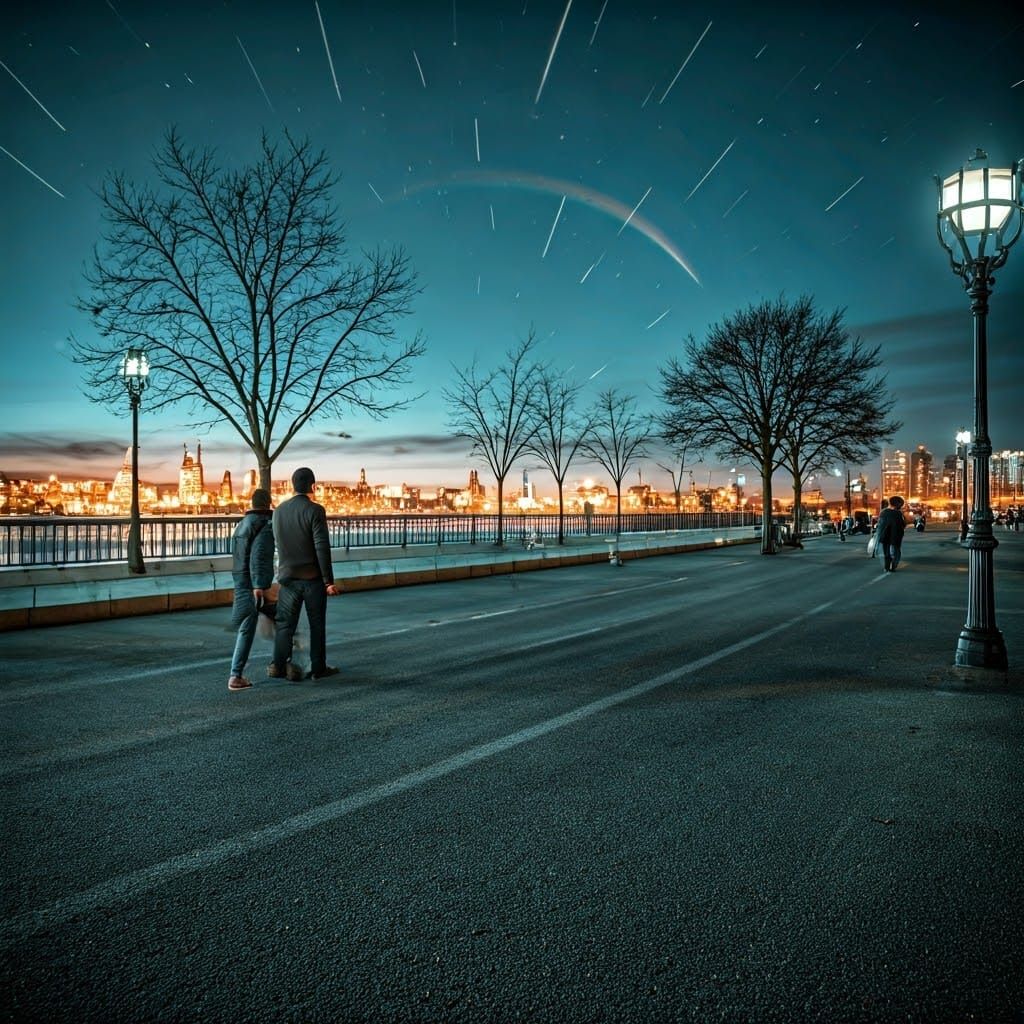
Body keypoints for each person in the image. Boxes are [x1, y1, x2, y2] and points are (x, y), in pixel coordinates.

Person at [270, 467, 339, 681]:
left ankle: (278, 666)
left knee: (284, 625)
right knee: (316, 624)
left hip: (287, 578)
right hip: (312, 579)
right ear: (313, 486)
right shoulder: (315, 510)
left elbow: (278, 544)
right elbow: (321, 547)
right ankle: (318, 668)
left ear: (293, 485)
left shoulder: (279, 511)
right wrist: (328, 581)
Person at [228, 488, 275, 691]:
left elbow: (238, 555)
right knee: (248, 628)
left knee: (276, 619)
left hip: (240, 578)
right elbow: (259, 557)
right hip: (253, 584)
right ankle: (235, 676)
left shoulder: (241, 525)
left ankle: (282, 661)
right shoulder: (263, 525)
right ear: (268, 503)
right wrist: (258, 585)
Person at [876, 495, 906, 572]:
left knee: (886, 552)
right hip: (895, 536)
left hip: (884, 535)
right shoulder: (898, 514)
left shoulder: (883, 512)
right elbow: (903, 525)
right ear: (899, 505)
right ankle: (893, 566)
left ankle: (886, 567)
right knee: (895, 552)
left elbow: (879, 524)